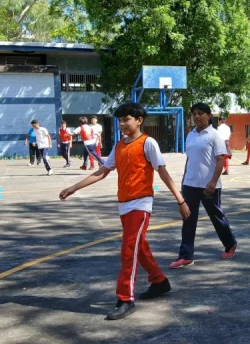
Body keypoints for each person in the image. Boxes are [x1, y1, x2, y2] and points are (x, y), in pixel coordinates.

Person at [59, 102, 190, 320]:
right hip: (124, 204)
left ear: (139, 120)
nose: (122, 124)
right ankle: (159, 282)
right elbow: (102, 171)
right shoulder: (120, 146)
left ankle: (125, 298)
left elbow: (163, 172)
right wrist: (73, 188)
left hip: (141, 204)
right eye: (120, 120)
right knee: (139, 247)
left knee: (129, 250)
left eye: (126, 119)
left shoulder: (148, 143)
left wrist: (180, 200)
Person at [171, 102, 237, 268]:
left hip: (209, 185)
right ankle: (186, 256)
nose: (196, 116)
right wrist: (184, 178)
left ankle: (230, 243)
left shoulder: (214, 135)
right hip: (190, 184)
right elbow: (189, 158)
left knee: (216, 216)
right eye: (194, 113)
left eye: (200, 113)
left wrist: (213, 182)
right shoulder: (190, 135)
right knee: (188, 219)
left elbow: (221, 159)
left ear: (209, 116)